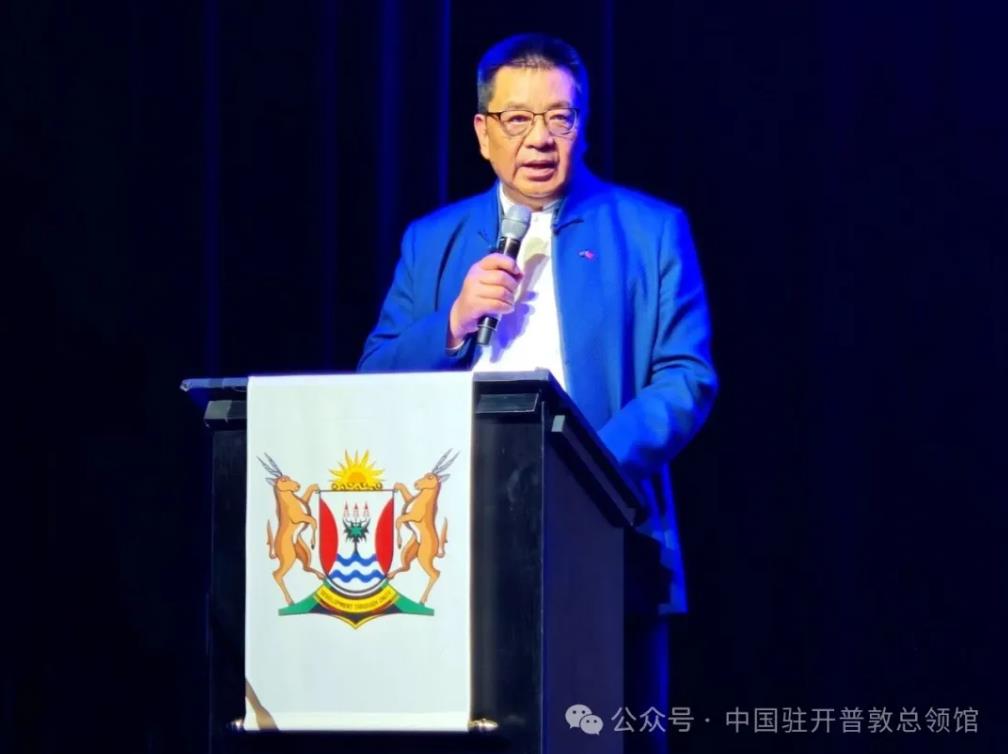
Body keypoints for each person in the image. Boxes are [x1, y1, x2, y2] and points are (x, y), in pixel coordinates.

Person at [358, 32, 717, 746]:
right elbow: (374, 378)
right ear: (482, 132)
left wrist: (587, 467)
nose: (541, 139)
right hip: (456, 543)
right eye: (518, 119)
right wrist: (453, 321)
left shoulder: (649, 231)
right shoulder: (433, 240)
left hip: (606, 532)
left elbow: (686, 377)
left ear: (583, 125)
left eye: (560, 117)